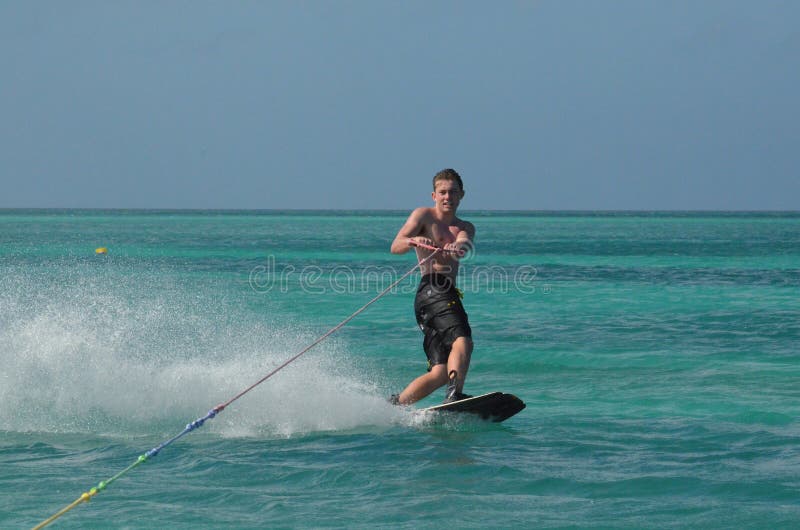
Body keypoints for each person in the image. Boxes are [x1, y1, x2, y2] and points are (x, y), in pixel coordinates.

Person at [389, 168, 476, 405]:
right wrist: (414, 240)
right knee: (463, 340)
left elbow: (465, 244)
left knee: (439, 373)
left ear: (461, 195)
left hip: (435, 297)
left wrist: (457, 247)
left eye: (453, 192)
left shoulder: (465, 227)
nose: (448, 197)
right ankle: (455, 395)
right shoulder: (423, 216)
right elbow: (395, 246)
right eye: (443, 192)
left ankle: (395, 405)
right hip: (433, 288)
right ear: (434, 195)